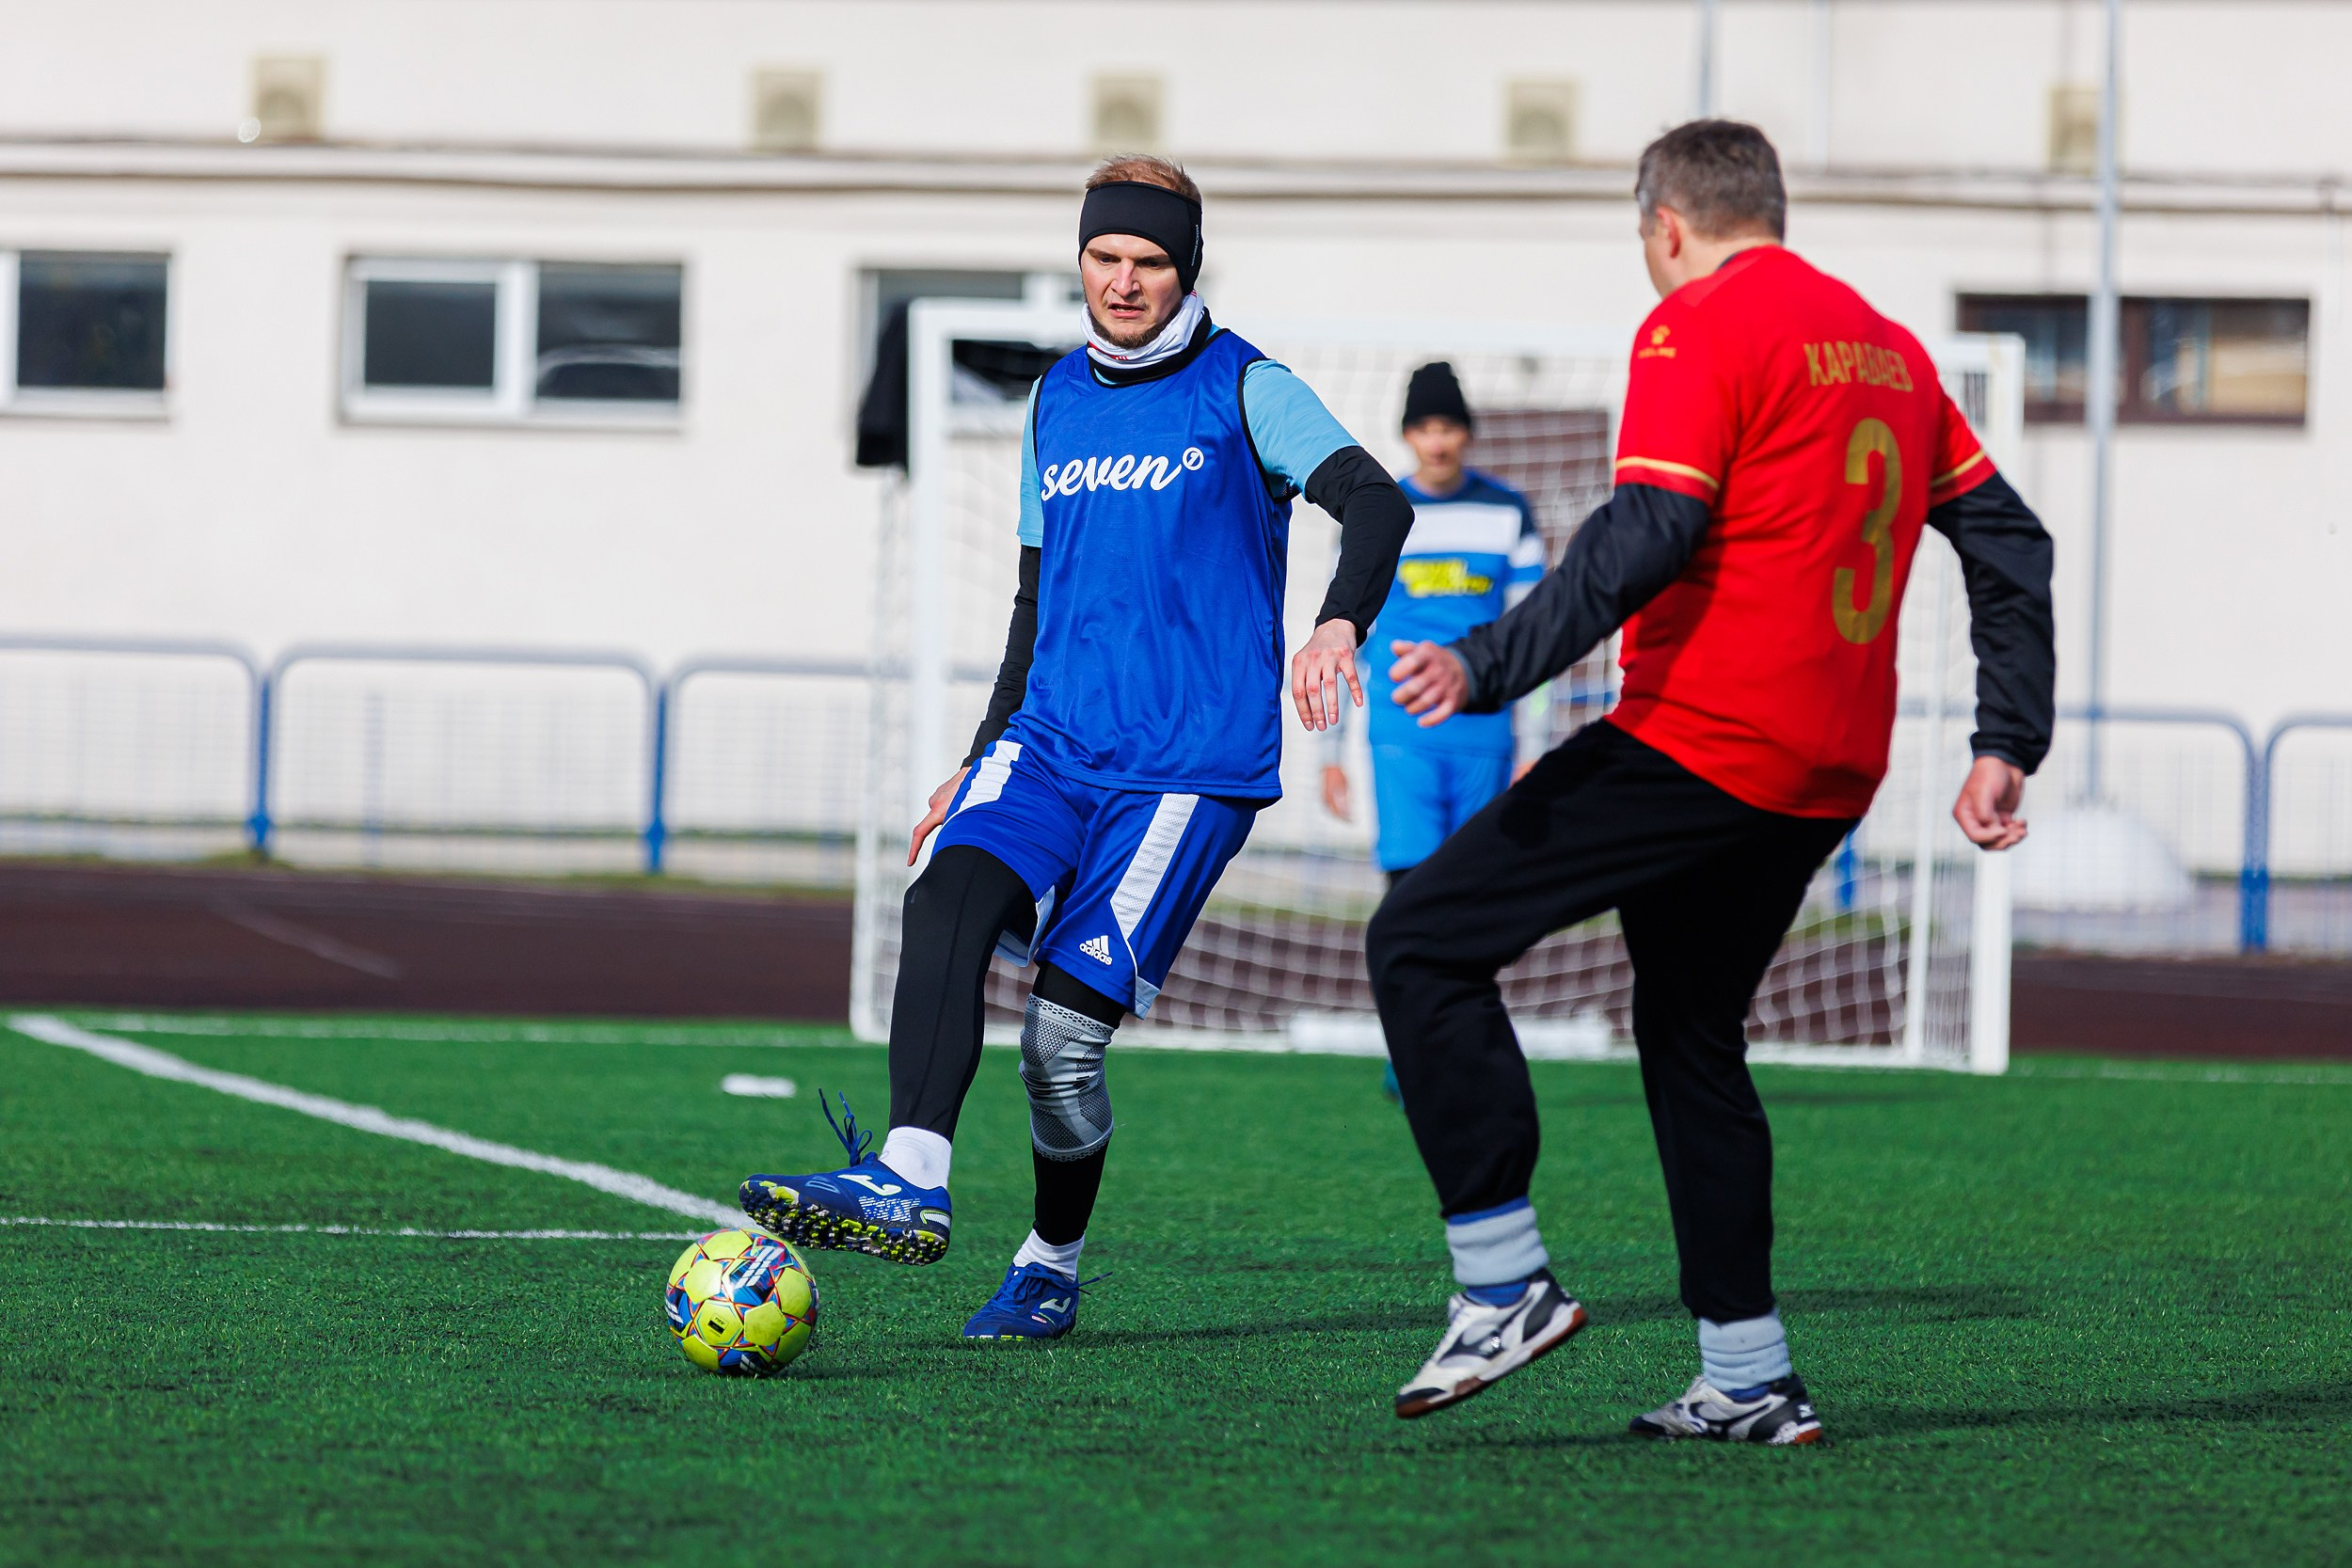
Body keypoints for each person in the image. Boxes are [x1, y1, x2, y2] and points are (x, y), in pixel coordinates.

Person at [1370, 120, 2055, 1442]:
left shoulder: (1700, 324)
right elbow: (2008, 541)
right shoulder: (1894, 351)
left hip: (1702, 743)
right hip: (1827, 770)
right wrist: (2003, 738)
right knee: (1690, 1032)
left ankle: (1502, 1279)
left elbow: (1649, 525)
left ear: (1665, 225)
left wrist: (1490, 659)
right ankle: (1749, 1369)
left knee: (1420, 938)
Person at [739, 154, 1412, 1341]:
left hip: (1185, 769)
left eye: (1149, 260)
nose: (1124, 280)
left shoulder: (1244, 384)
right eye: (1105, 256)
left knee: (1059, 1043)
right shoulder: (1055, 397)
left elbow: (1375, 500)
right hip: (1050, 741)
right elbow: (1032, 601)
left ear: (1184, 267)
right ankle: (910, 1170)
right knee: (944, 883)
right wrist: (976, 752)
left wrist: (1338, 620)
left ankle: (1050, 1257)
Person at [1319, 362, 1544, 1101]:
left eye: (1449, 426)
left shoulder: (1510, 514)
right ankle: (1409, 1040)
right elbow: (1345, 632)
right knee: (1408, 893)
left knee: (1474, 897)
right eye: (1424, 428)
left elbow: (1532, 635)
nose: (1437, 441)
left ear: (1466, 433)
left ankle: (1464, 1037)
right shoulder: (1381, 514)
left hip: (1486, 738)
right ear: (1408, 435)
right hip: (1400, 737)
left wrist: (1534, 747)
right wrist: (1331, 751)